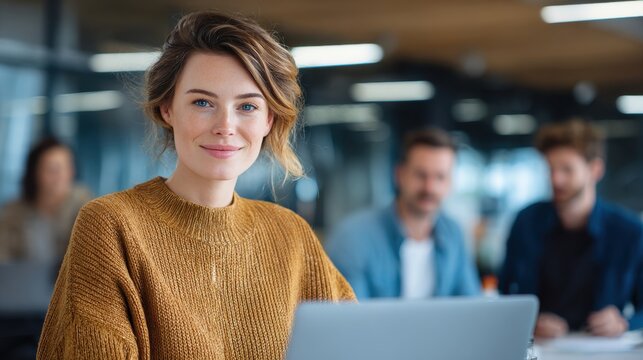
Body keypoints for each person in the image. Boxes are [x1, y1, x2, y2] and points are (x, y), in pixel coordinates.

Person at [36, 11, 355, 359]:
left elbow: (361, 344)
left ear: (269, 119)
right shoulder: (111, 226)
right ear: (167, 108)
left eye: (247, 106)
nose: (225, 125)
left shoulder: (291, 235)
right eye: (203, 102)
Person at [499, 119, 643, 338]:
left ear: (595, 169)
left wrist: (624, 322)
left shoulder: (629, 232)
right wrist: (528, 320)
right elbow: (504, 293)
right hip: (540, 348)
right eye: (551, 169)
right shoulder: (526, 222)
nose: (556, 179)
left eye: (567, 169)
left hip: (602, 351)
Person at [325, 129, 481, 299]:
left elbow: (471, 303)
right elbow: (348, 317)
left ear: (450, 183)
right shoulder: (353, 237)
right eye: (421, 175)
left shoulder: (453, 233)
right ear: (400, 175)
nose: (429, 188)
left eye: (440, 177)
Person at [0, 137, 91, 264]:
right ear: (34, 173)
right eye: (52, 169)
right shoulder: (13, 213)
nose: (61, 176)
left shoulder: (86, 207)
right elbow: (4, 262)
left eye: (66, 168)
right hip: (23, 282)